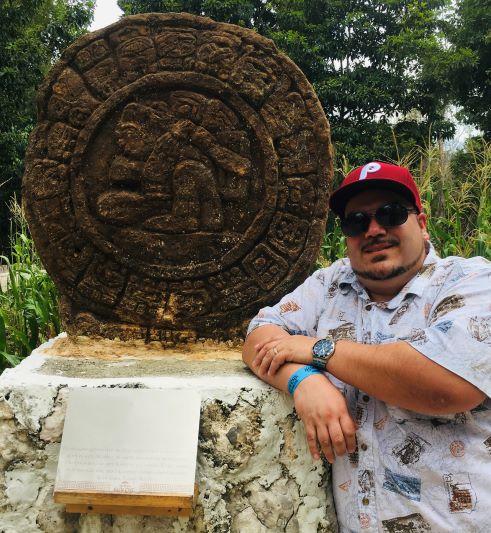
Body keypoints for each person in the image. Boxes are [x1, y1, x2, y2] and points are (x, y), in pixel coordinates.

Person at [242, 161, 491, 532]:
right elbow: (260, 334)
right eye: (356, 221)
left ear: (421, 225)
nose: (374, 230)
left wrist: (318, 350)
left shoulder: (471, 280)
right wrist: (304, 381)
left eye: (390, 214)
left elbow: (445, 383)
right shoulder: (330, 283)